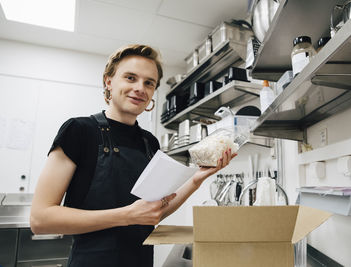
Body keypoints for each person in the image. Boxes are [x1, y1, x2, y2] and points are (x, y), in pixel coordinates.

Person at [30, 44, 236, 267]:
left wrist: (197, 179)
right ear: (109, 81)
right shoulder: (79, 130)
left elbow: (151, 214)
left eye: (149, 83)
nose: (140, 88)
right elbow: (41, 219)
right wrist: (127, 215)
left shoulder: (149, 142)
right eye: (130, 78)